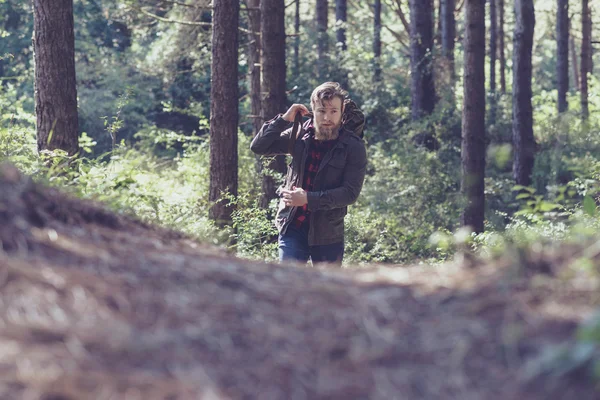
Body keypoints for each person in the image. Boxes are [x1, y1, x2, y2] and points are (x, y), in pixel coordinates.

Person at [250, 82, 367, 266]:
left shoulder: (353, 146)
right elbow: (258, 147)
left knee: (325, 291)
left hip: (328, 234)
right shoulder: (300, 133)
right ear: (312, 109)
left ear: (342, 109)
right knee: (288, 281)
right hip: (292, 225)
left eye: (333, 111)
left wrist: (308, 199)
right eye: (321, 111)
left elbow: (350, 193)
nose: (327, 117)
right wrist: (283, 120)